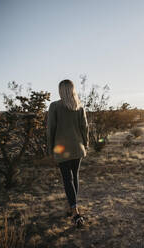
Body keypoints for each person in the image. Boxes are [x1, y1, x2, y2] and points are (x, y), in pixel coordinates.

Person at [46, 79, 89, 228]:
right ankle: (72, 207)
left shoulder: (54, 106)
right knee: (74, 177)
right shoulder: (79, 106)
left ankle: (75, 211)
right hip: (77, 148)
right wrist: (86, 144)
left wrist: (50, 148)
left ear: (60, 90)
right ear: (72, 90)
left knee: (67, 179)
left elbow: (50, 129)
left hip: (61, 149)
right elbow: (85, 128)